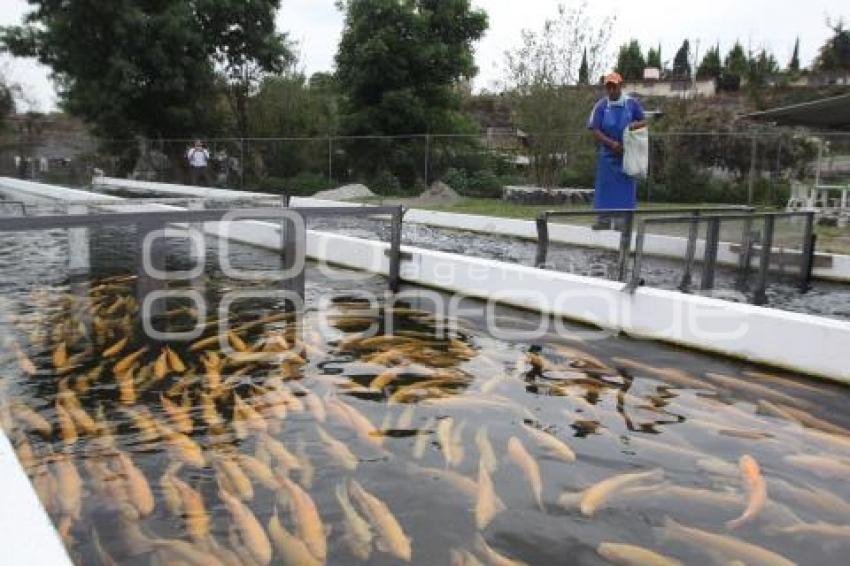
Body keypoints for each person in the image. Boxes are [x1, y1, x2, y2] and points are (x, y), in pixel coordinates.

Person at [587, 72, 647, 230]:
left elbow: (644, 121)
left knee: (625, 189)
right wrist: (611, 143)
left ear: (620, 85)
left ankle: (623, 222)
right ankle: (603, 221)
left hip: (627, 154)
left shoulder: (632, 104)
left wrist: (635, 126)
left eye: (614, 86)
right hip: (607, 155)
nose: (611, 90)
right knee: (605, 188)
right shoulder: (601, 106)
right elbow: (595, 128)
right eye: (608, 87)